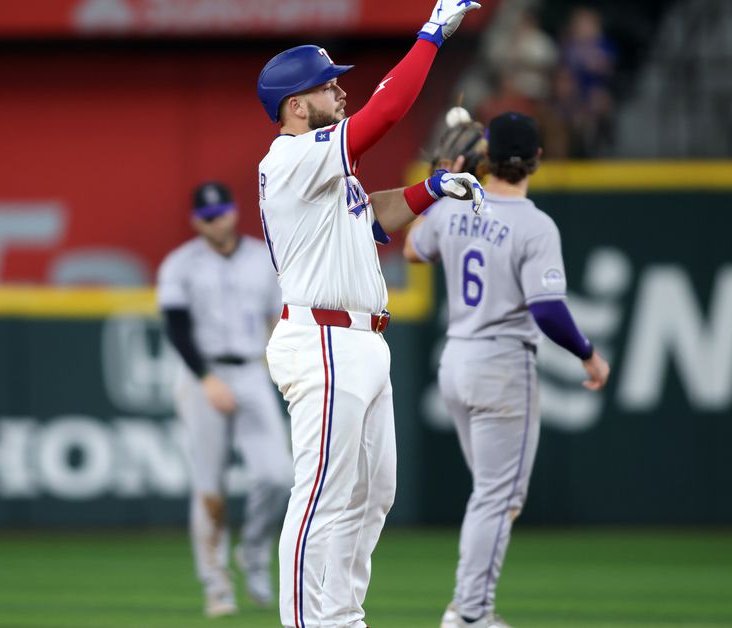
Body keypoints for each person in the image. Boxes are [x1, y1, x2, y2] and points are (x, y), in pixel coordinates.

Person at [255, 2, 485, 626]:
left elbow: (372, 217)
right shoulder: (292, 157)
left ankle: (341, 615)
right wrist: (431, 35)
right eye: (326, 85)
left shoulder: (324, 169)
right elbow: (385, 112)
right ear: (295, 106)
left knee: (371, 494)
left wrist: (430, 189)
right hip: (324, 340)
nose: (340, 91)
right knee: (320, 499)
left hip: (357, 341)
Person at [404, 112, 611, 628]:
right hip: (501, 365)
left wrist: (439, 186)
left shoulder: (453, 207)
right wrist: (587, 353)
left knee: (492, 496)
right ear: (537, 159)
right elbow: (547, 310)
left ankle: (473, 608)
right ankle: (470, 612)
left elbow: (410, 249)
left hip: (456, 361)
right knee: (497, 498)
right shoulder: (534, 224)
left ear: (487, 157)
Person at [156, 182, 294, 618]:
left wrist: (282, 369)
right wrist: (206, 378)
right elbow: (176, 328)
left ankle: (252, 551)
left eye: (222, 213)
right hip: (204, 374)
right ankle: (216, 585)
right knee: (209, 486)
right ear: (196, 221)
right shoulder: (181, 264)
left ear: (235, 212)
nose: (217, 222)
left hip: (251, 369)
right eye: (208, 216)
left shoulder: (262, 258)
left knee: (277, 475)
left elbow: (276, 320)